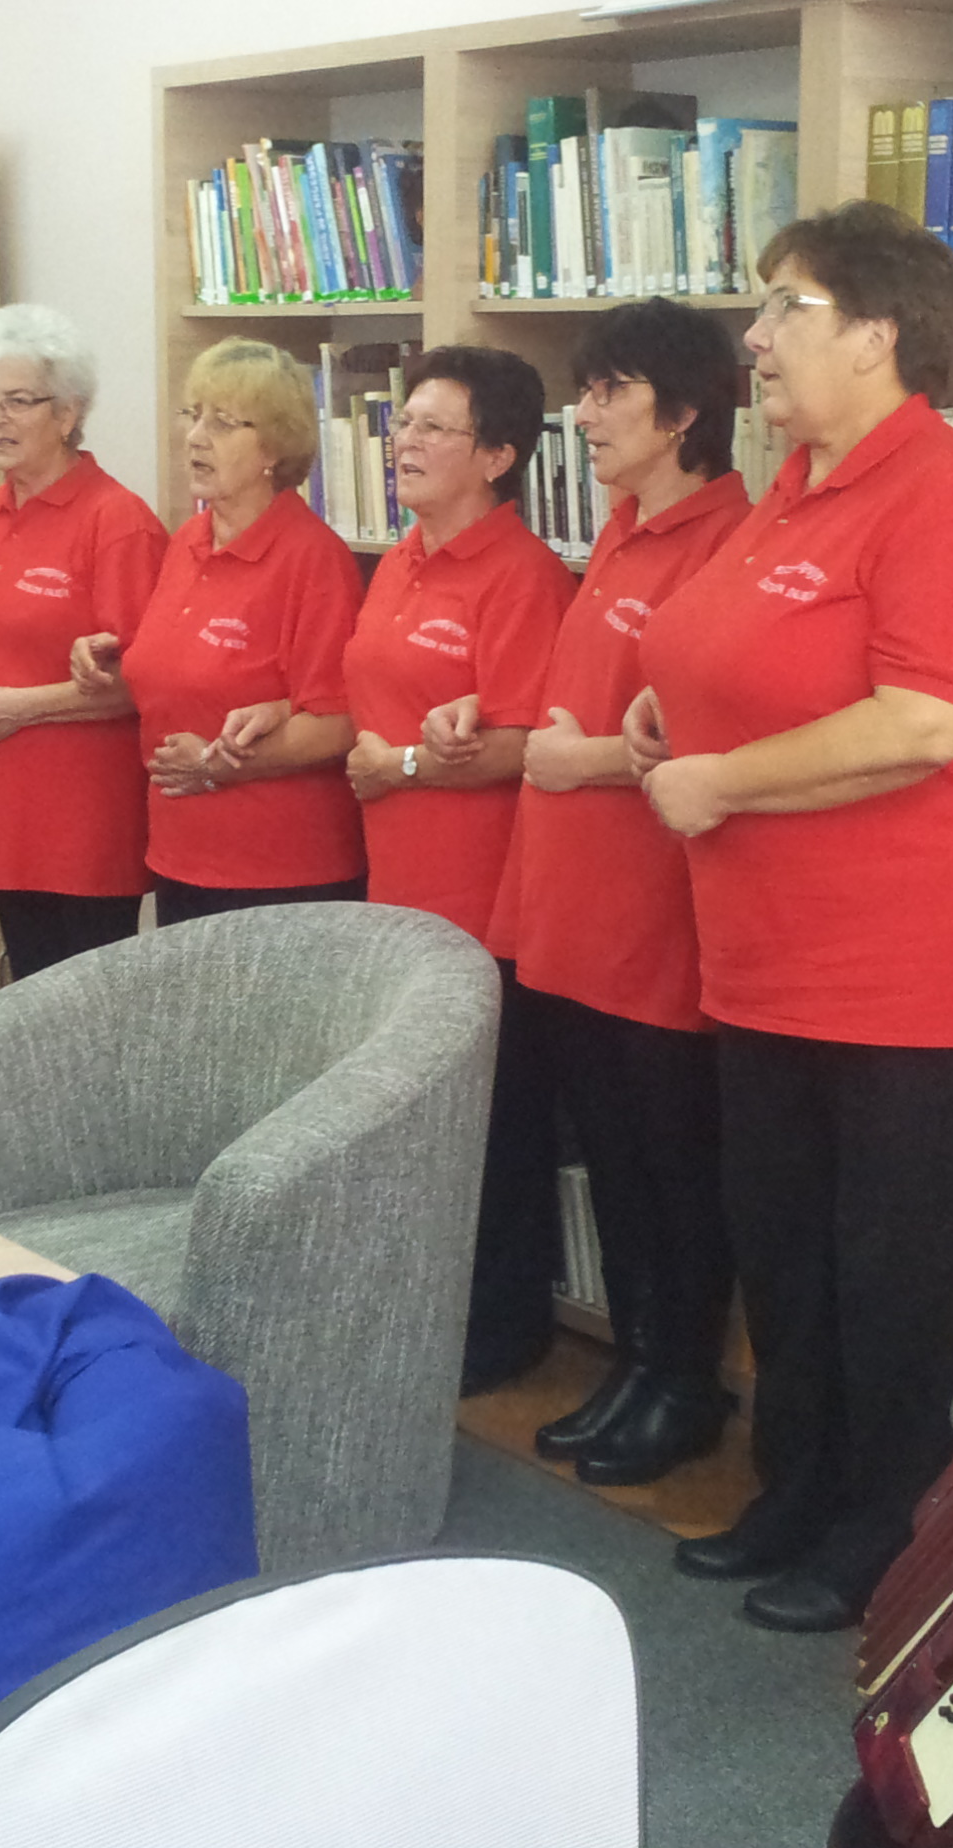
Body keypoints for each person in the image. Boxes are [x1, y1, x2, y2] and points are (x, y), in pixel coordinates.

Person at [631, 200, 953, 1634]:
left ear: (879, 334)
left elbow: (925, 722)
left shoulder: (950, 496)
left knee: (893, 1273)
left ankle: (891, 1531)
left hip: (916, 966)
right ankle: (799, 1488)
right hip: (769, 956)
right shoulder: (795, 483)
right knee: (785, 1249)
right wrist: (677, 707)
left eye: (787, 307)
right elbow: (755, 647)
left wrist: (720, 778)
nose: (755, 338)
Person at [489, 300, 756, 1482]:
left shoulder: (726, 541)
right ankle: (639, 1364)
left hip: (655, 910)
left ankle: (683, 1382)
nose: (583, 415)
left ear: (685, 413)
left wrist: (581, 760)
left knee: (673, 1167)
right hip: (573, 902)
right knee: (612, 1161)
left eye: (610, 393)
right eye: (584, 392)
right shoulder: (618, 531)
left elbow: (707, 729)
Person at [341, 346, 576, 1393]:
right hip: (397, 888)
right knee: (421, 1123)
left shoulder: (521, 575)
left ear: (497, 456)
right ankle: (430, 1309)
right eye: (405, 422)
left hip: (484, 898)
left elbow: (525, 743)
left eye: (435, 428)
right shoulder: (400, 559)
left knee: (496, 1125)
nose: (405, 442)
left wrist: (396, 765)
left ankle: (505, 1324)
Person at [70, 338, 361, 925]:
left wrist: (214, 764)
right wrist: (108, 658)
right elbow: (182, 667)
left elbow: (337, 722)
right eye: (194, 415)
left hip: (281, 868)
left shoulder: (313, 559)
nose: (196, 437)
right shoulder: (187, 542)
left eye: (224, 423)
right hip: (180, 854)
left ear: (273, 448)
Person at [0, 305, 166, 980]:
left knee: (89, 1006)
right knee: (30, 999)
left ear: (68, 412)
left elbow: (142, 684)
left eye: (18, 401)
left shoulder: (117, 521)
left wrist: (21, 708)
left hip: (86, 816)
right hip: (4, 810)